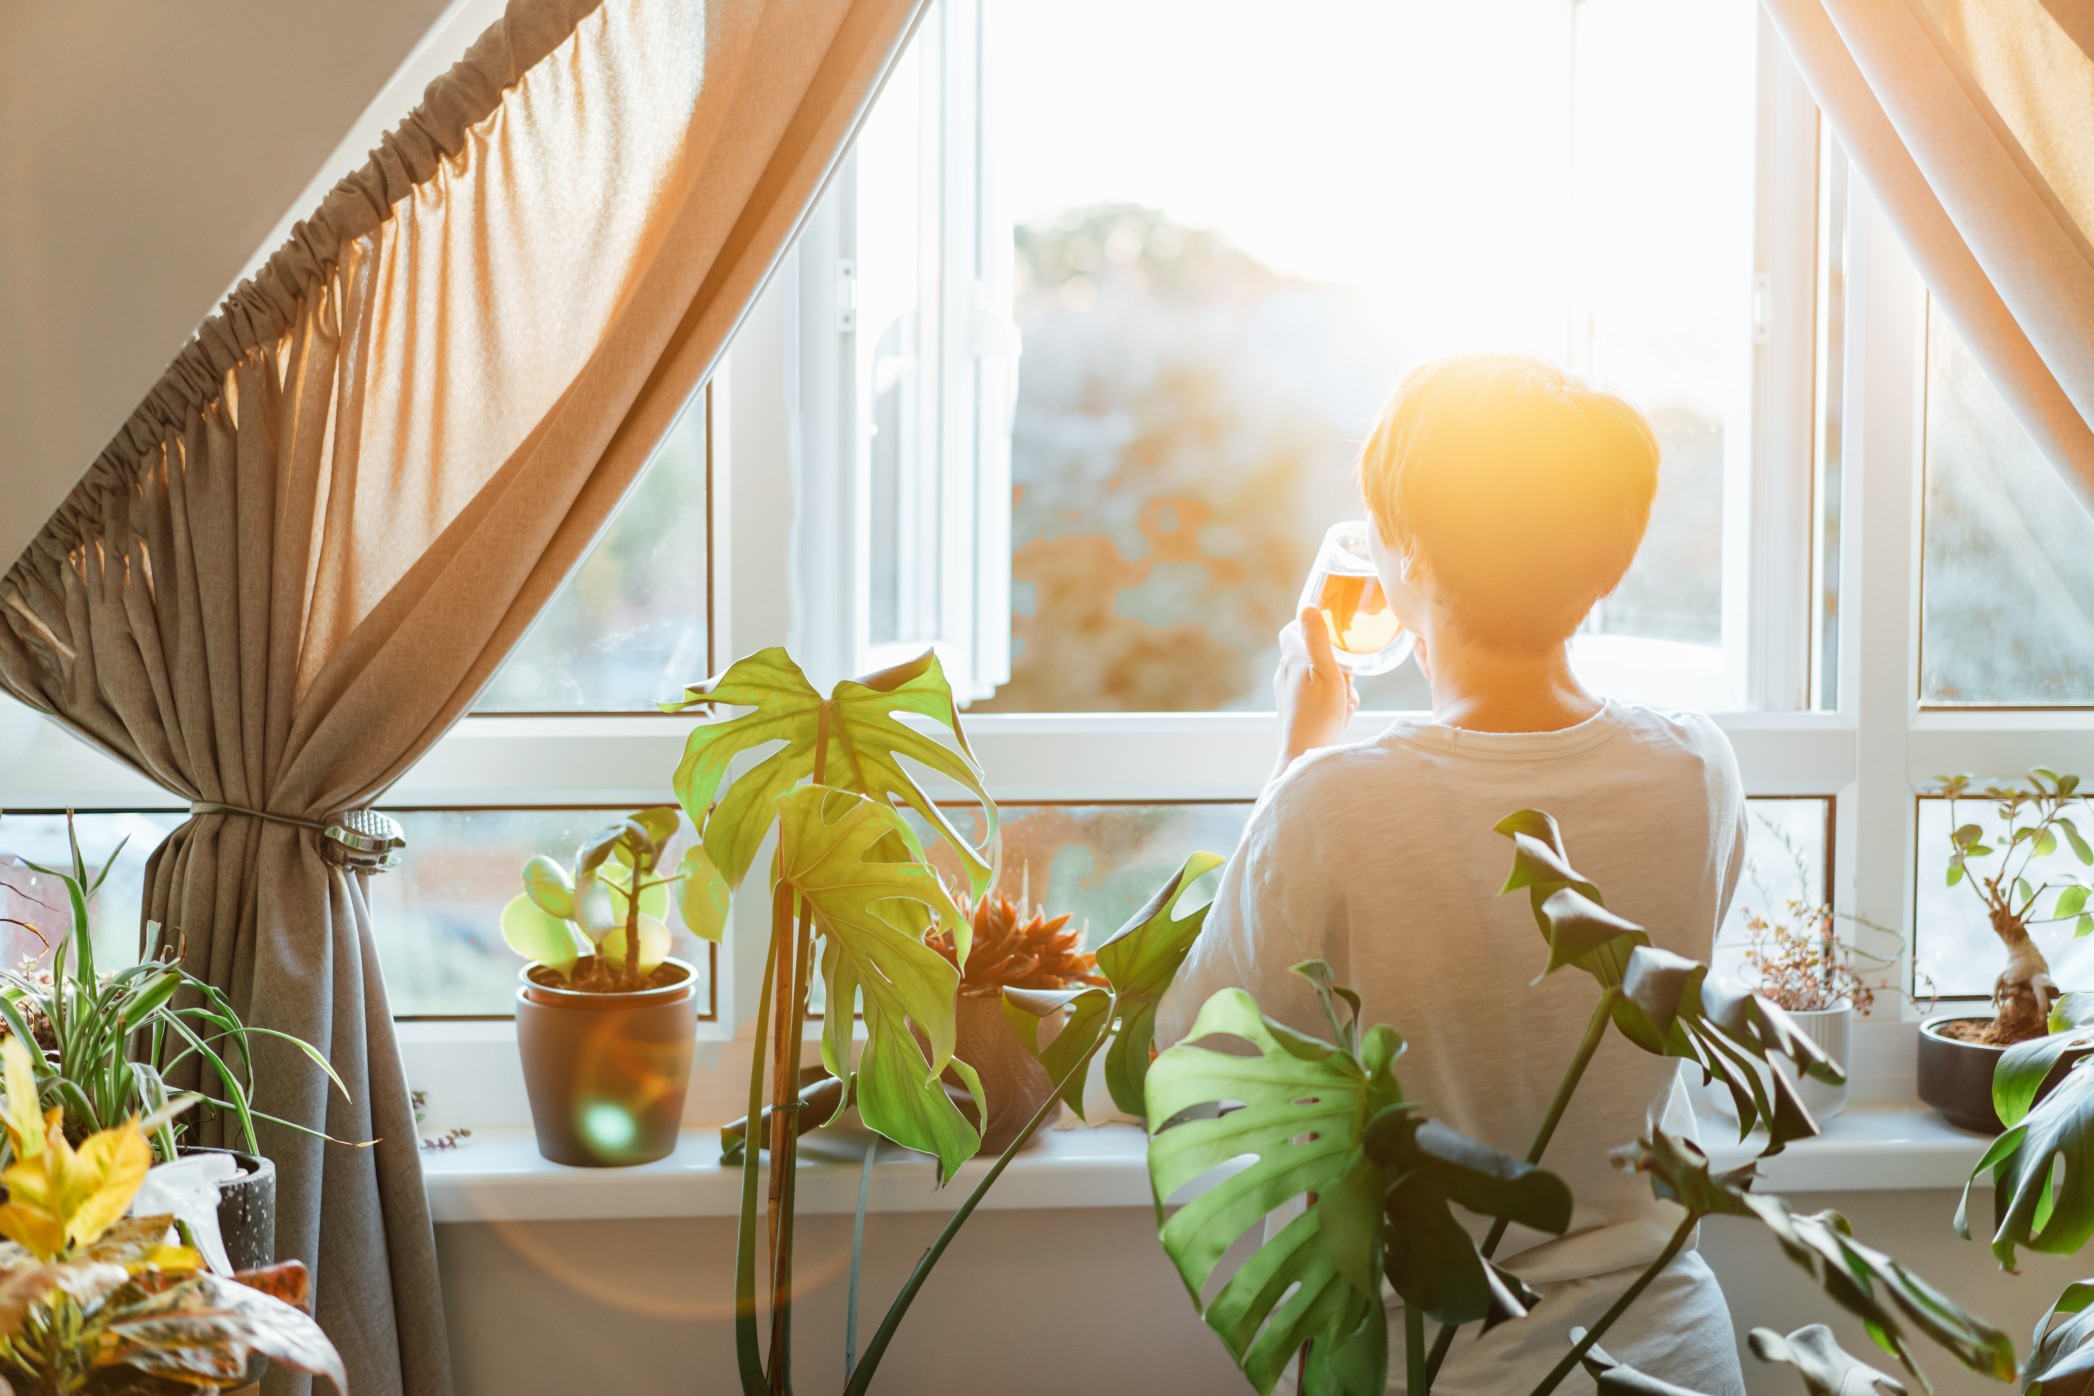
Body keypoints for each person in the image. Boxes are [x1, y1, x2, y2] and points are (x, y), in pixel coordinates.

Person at [1154, 353, 1749, 1395]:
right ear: (1605, 564)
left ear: (1412, 554)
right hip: (1668, 1351)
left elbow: (1189, 1056)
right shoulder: (1695, 768)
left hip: (1423, 1364)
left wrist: (1298, 756)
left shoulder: (1331, 799)